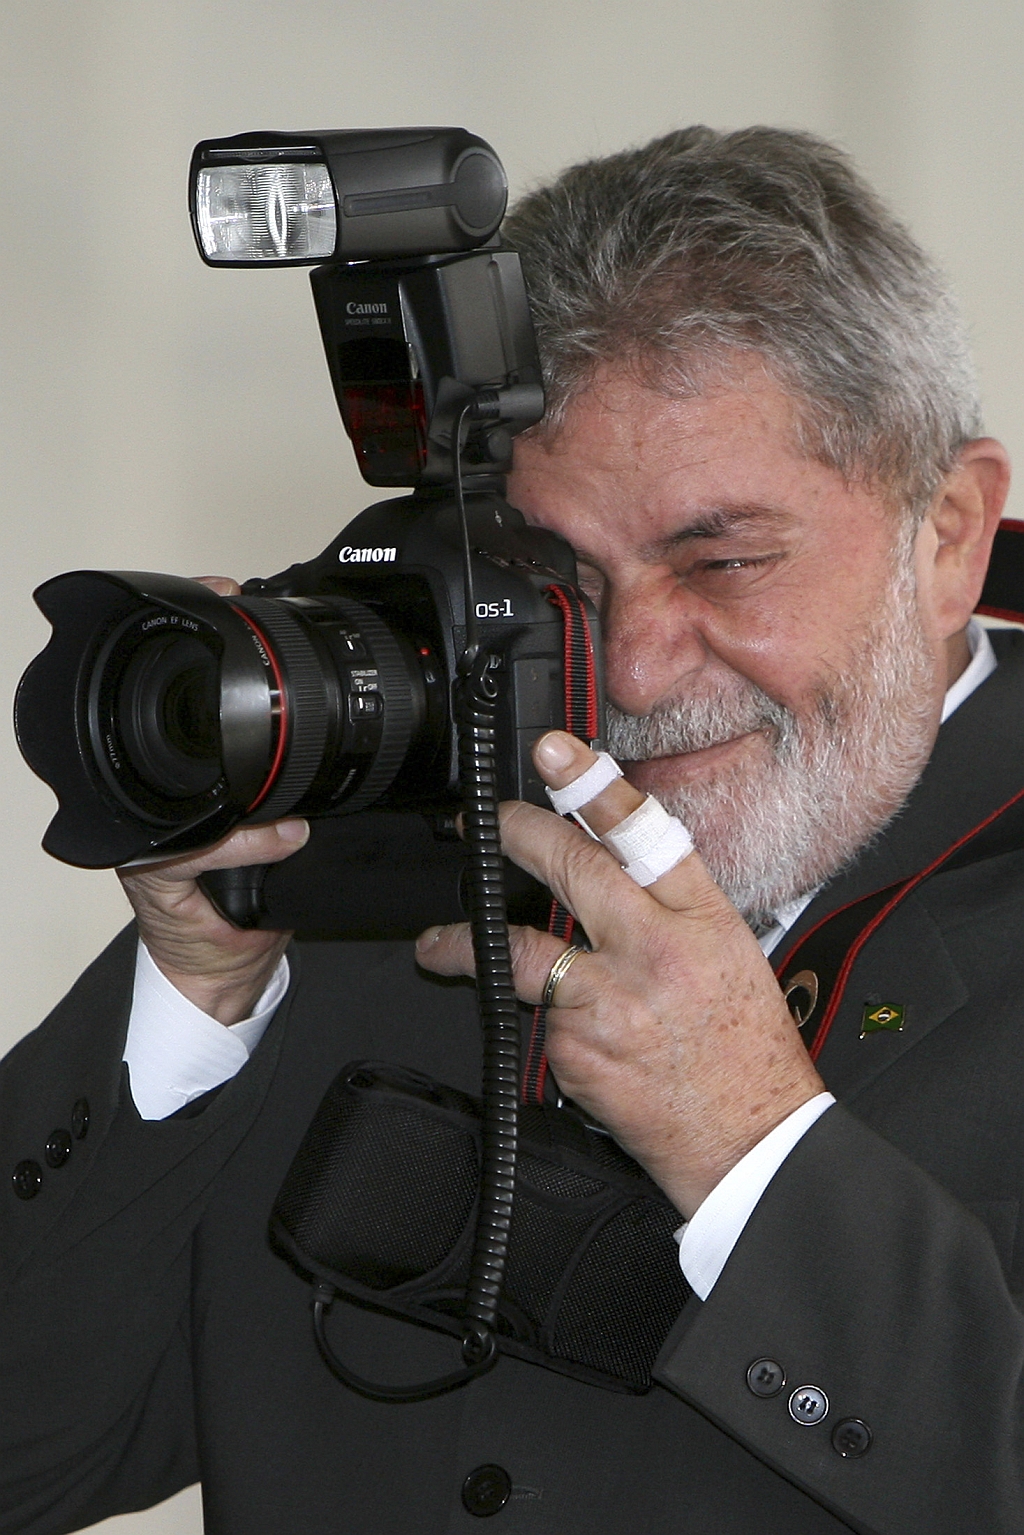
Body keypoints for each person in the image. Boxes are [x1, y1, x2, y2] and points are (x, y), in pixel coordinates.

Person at [2, 125, 1022, 1535]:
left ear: (954, 528)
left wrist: (754, 1145)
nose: (644, 668)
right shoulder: (402, 862)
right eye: (559, 577)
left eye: (723, 559)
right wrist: (193, 999)